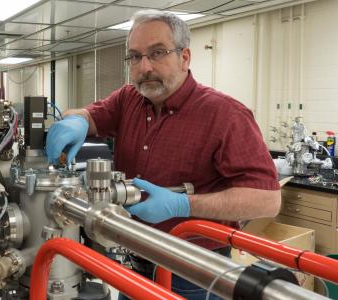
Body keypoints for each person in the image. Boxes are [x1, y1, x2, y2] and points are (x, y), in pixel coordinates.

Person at [45, 9, 281, 300]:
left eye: (157, 53)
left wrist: (183, 205)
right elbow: (89, 115)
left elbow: (267, 200)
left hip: (194, 271)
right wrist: (75, 120)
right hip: (135, 259)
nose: (144, 67)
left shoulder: (226, 115)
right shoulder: (129, 99)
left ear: (185, 57)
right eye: (134, 56)